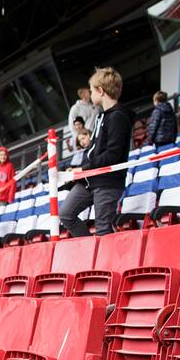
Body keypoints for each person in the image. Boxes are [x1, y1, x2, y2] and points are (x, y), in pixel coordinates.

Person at [60, 68, 135, 239]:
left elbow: (113, 155)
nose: (90, 94)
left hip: (107, 181)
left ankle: (104, 264)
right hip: (90, 179)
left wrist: (83, 169)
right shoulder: (102, 116)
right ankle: (91, 251)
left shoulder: (118, 117)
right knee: (65, 214)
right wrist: (81, 170)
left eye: (92, 90)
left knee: (103, 230)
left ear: (101, 91)